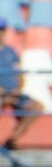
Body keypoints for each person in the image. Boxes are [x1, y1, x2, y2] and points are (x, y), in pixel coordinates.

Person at [0, 19, 42, 150]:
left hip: (13, 93)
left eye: (2, 30)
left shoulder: (10, 52)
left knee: (35, 107)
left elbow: (19, 73)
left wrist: (17, 89)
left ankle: (12, 140)